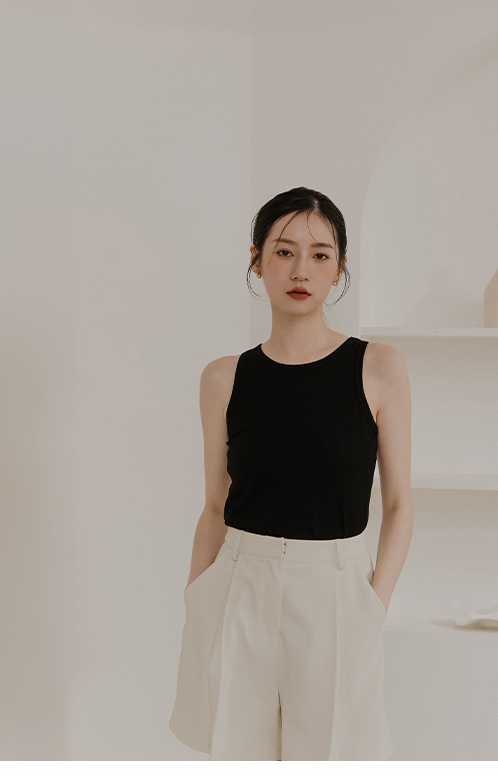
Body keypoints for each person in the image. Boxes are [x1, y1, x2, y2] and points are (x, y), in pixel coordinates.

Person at [169, 186, 414, 760]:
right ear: (256, 261)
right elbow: (215, 504)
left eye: (320, 254)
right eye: (284, 251)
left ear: (339, 269)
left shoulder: (377, 366)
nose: (301, 269)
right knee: (239, 755)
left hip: (336, 589)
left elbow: (399, 503)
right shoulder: (223, 378)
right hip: (240, 583)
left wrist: (372, 605)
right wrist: (198, 595)